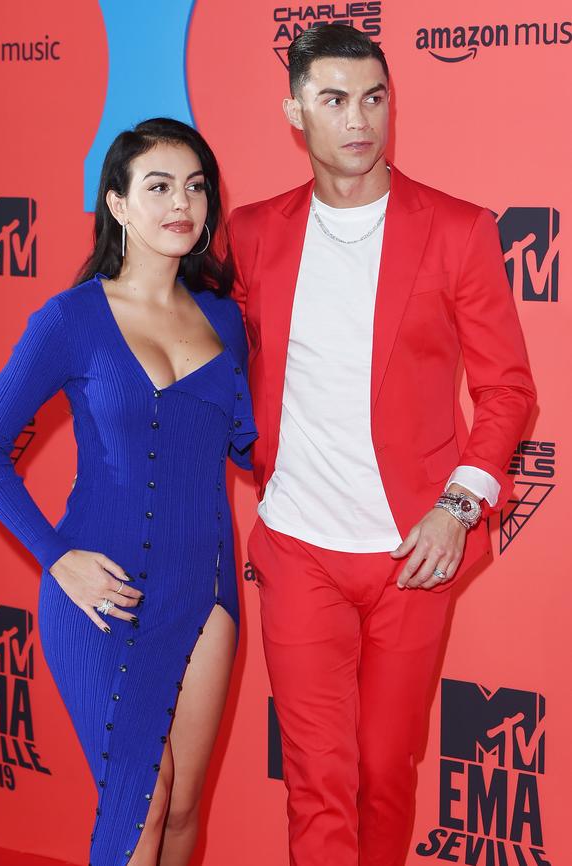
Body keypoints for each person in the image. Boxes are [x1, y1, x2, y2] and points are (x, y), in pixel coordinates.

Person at [228, 26, 536, 866]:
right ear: (295, 111)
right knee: (318, 779)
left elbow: (508, 388)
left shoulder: (458, 229)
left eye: (374, 97)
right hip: (298, 550)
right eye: (332, 99)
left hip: (414, 553)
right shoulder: (251, 233)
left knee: (385, 775)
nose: (359, 119)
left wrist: (457, 505)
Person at [0, 117, 256, 866]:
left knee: (183, 810)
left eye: (195, 186)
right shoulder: (72, 319)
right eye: (158, 186)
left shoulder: (226, 319)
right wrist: (58, 559)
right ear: (117, 205)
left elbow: (250, 444)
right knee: (140, 805)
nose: (181, 202)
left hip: (208, 589)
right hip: (102, 593)